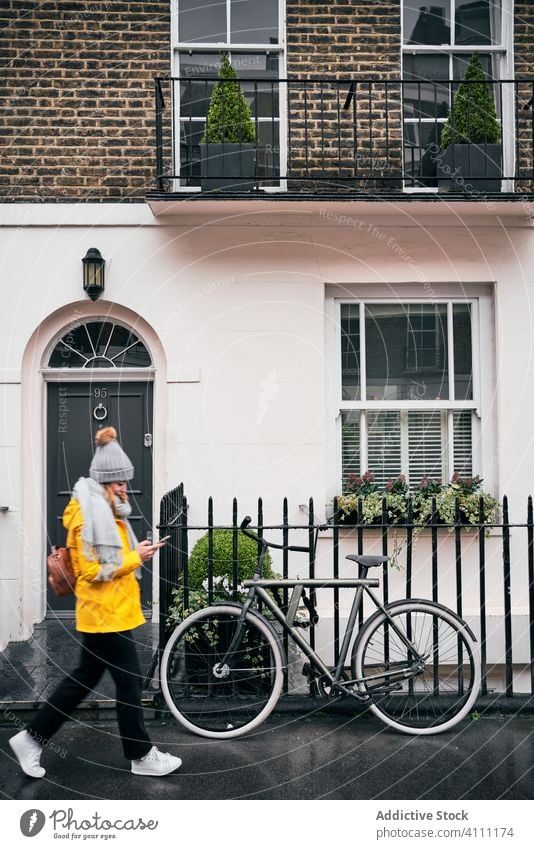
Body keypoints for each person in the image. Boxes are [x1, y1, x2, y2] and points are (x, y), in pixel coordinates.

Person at [9, 426, 182, 778]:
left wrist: (137, 554)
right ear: (104, 481)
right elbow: (91, 570)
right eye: (118, 481)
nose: (124, 487)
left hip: (109, 612)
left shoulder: (106, 510)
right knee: (129, 683)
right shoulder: (88, 515)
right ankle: (141, 756)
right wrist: (136, 557)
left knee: (83, 680)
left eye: (125, 480)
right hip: (105, 615)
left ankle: (31, 738)